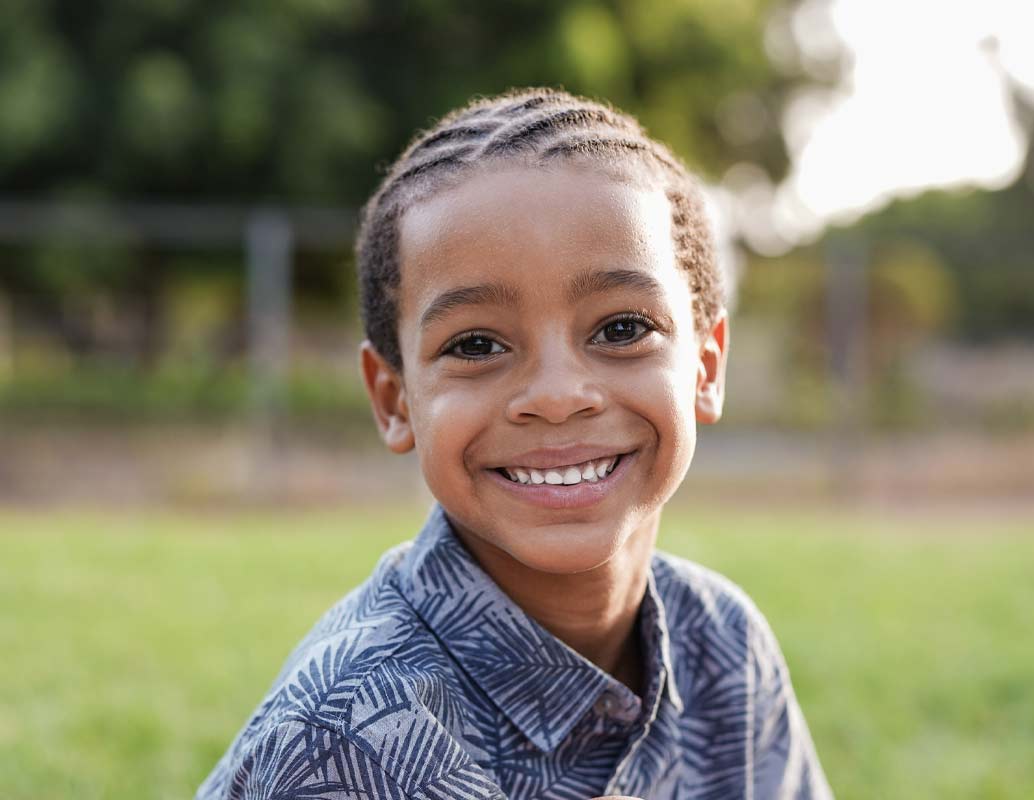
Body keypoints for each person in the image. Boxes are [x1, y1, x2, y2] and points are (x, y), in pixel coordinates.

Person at [197, 87, 833, 800]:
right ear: (394, 399)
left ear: (707, 368)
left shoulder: (724, 648)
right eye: (476, 343)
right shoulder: (344, 743)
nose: (558, 395)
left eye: (621, 329)